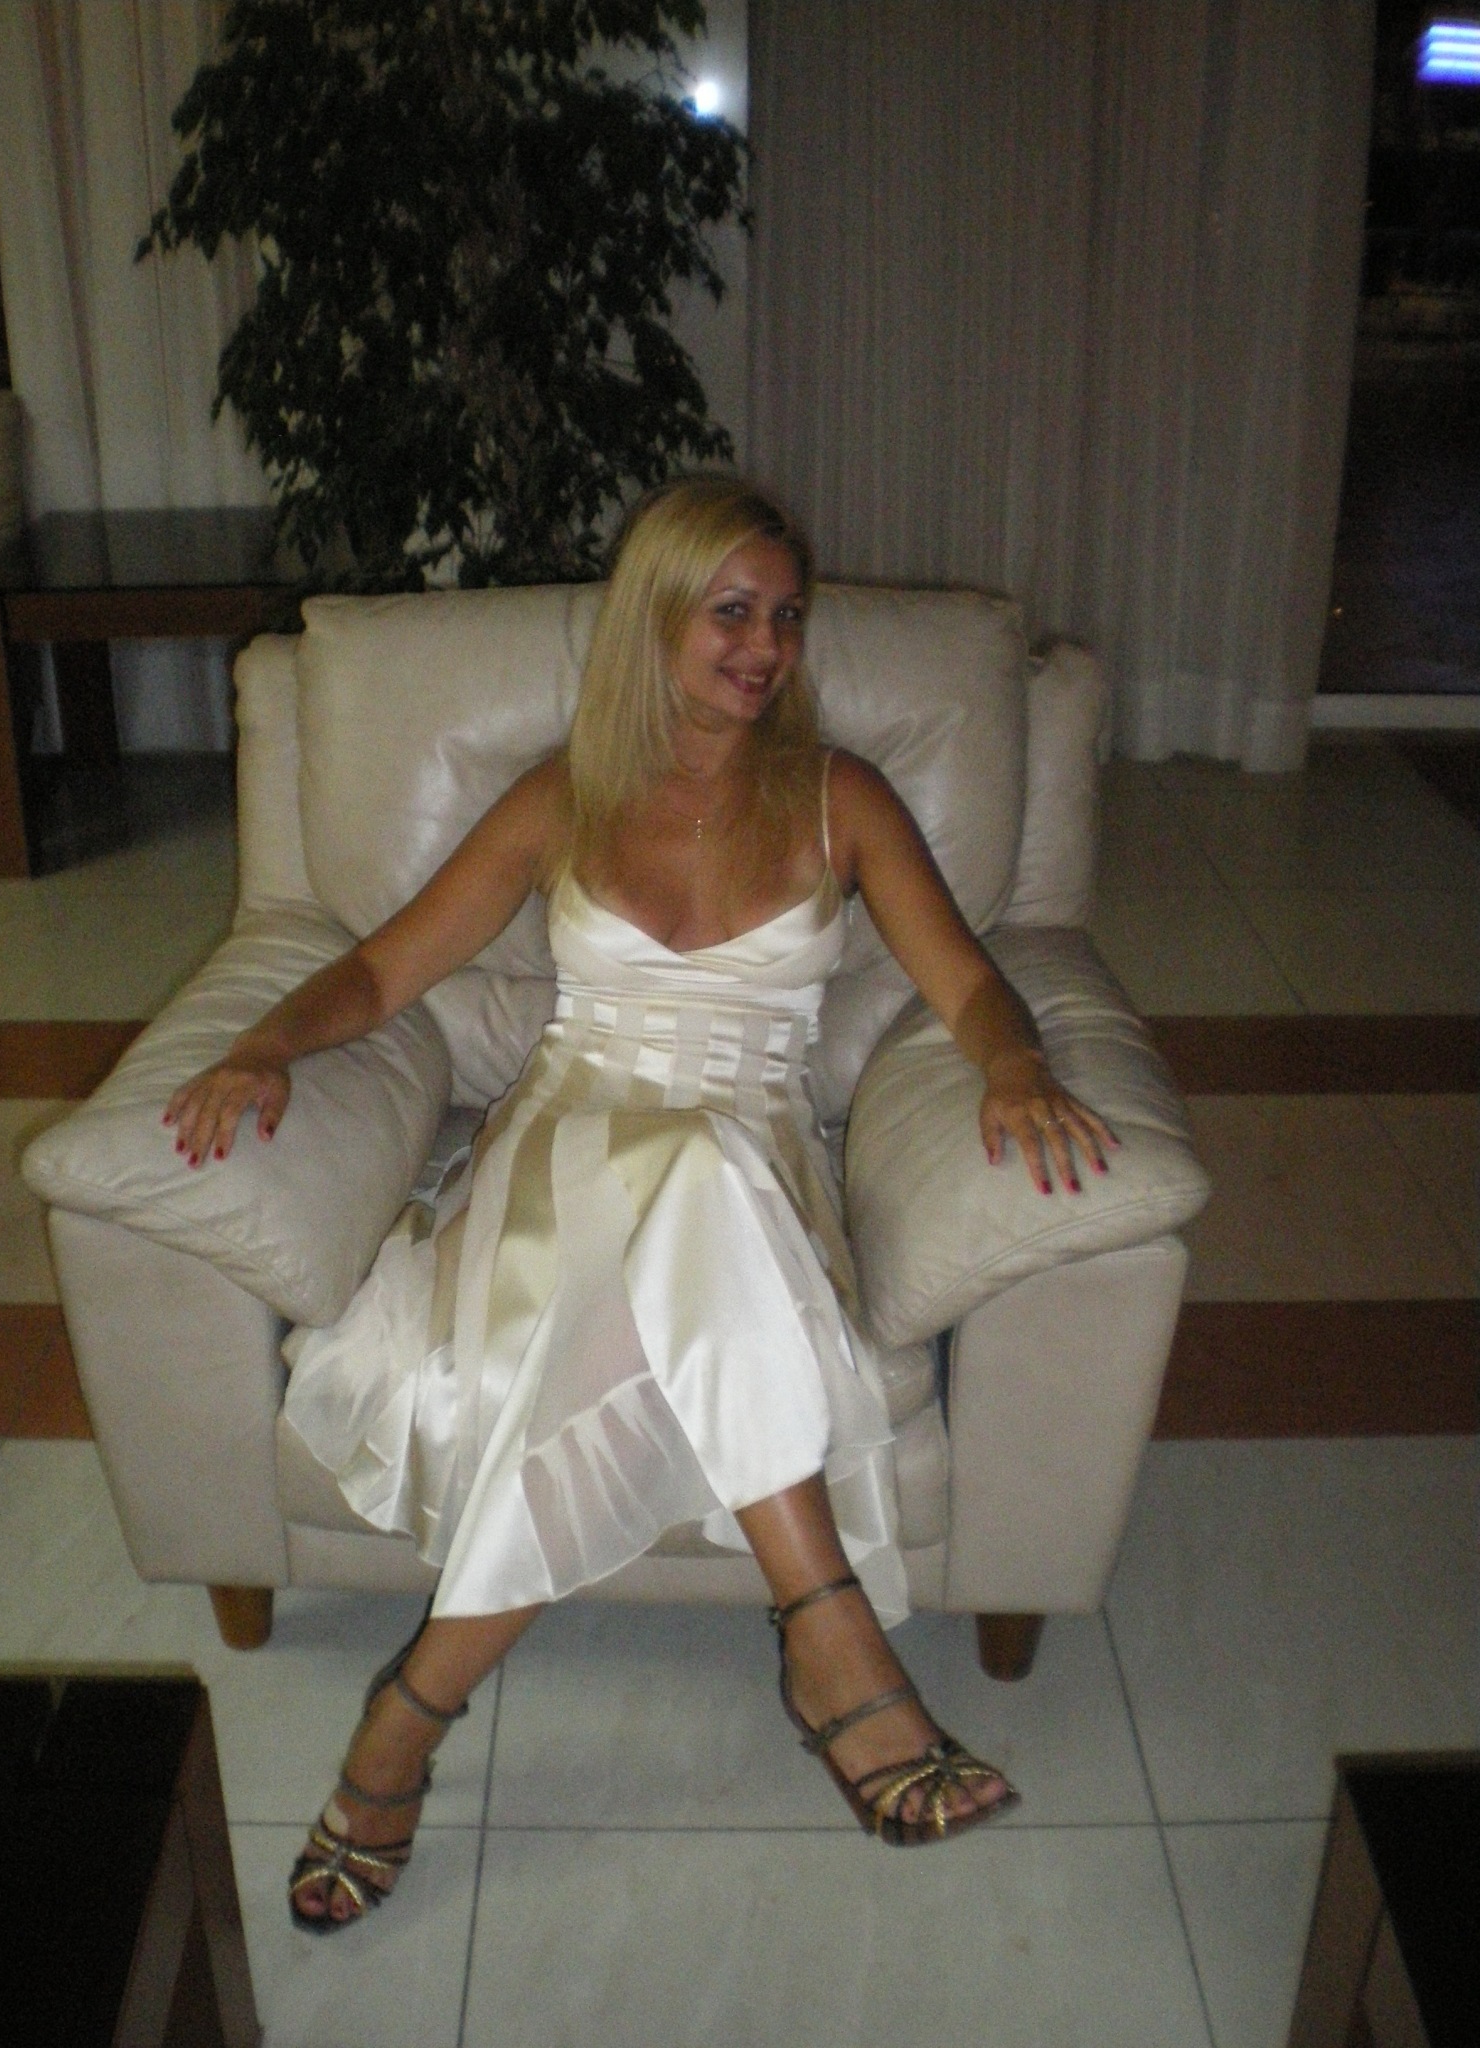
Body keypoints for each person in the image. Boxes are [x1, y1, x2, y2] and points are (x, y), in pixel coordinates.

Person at [165, 477, 1114, 1930]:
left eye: (786, 616)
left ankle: (404, 1727)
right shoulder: (560, 797)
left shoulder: (844, 798)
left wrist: (1019, 1066)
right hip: (559, 1158)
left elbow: (973, 983)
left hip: (752, 1163)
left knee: (702, 1171)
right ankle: (831, 1646)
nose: (766, 647)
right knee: (677, 1172)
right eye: (731, 612)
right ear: (655, 619)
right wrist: (261, 1047)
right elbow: (381, 971)